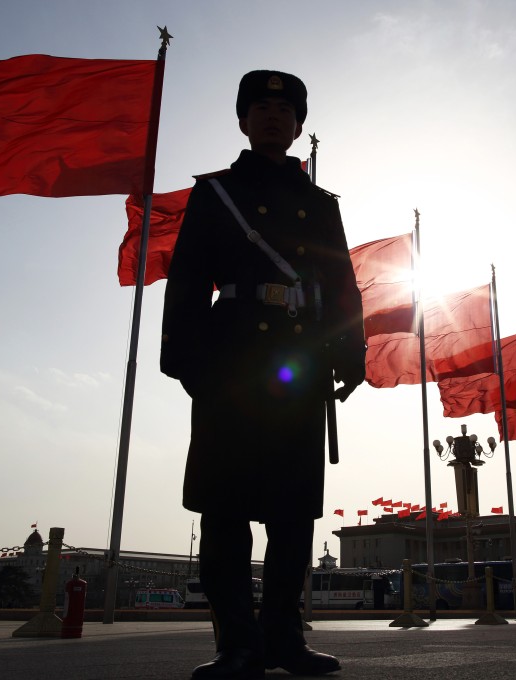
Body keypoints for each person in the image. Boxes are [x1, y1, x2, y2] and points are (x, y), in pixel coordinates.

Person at [161, 70, 366, 679]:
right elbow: (189, 279)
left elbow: (341, 284)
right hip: (232, 362)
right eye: (261, 107)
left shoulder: (321, 204)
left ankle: (283, 638)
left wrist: (350, 354)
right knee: (223, 509)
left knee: (292, 511)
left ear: (299, 124)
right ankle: (237, 646)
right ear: (243, 120)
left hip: (299, 362)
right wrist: (188, 361)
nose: (274, 116)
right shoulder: (216, 191)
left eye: (285, 108)